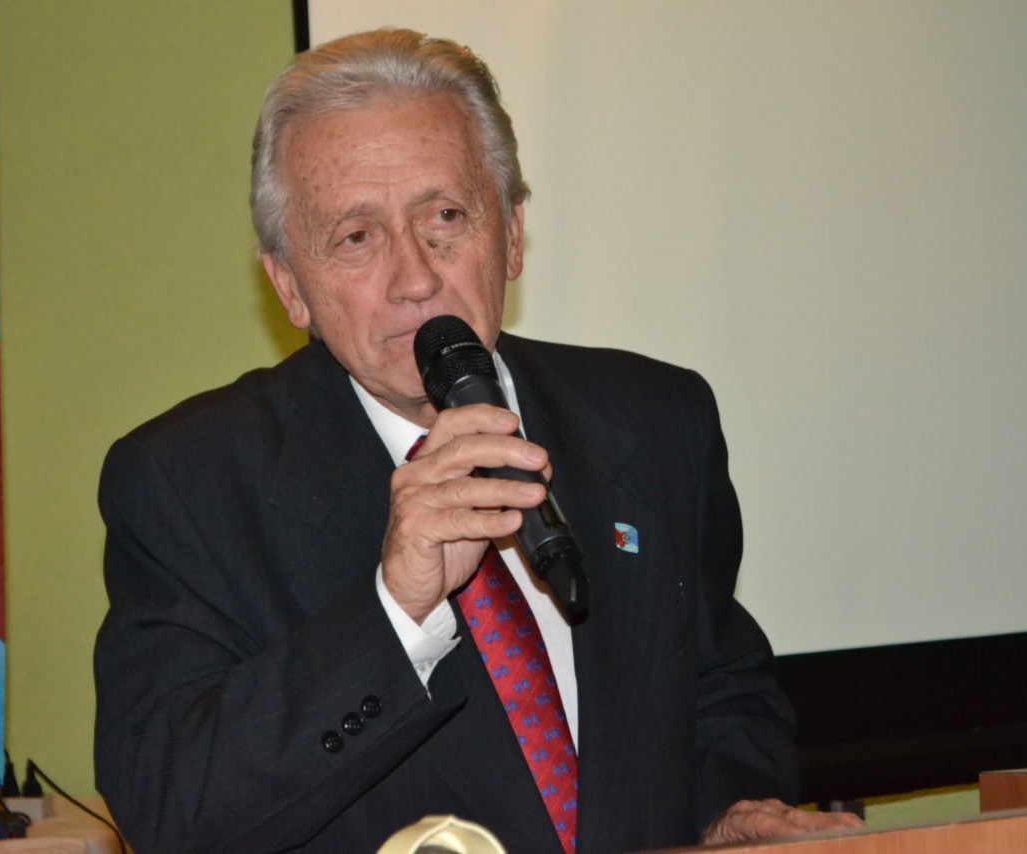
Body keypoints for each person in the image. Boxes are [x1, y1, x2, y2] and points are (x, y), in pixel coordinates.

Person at [93, 27, 863, 854]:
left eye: (446, 217)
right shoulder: (187, 484)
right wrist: (396, 609)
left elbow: (719, 690)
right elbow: (172, 812)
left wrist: (727, 807)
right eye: (356, 237)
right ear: (290, 286)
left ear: (513, 233)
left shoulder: (655, 419)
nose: (416, 277)